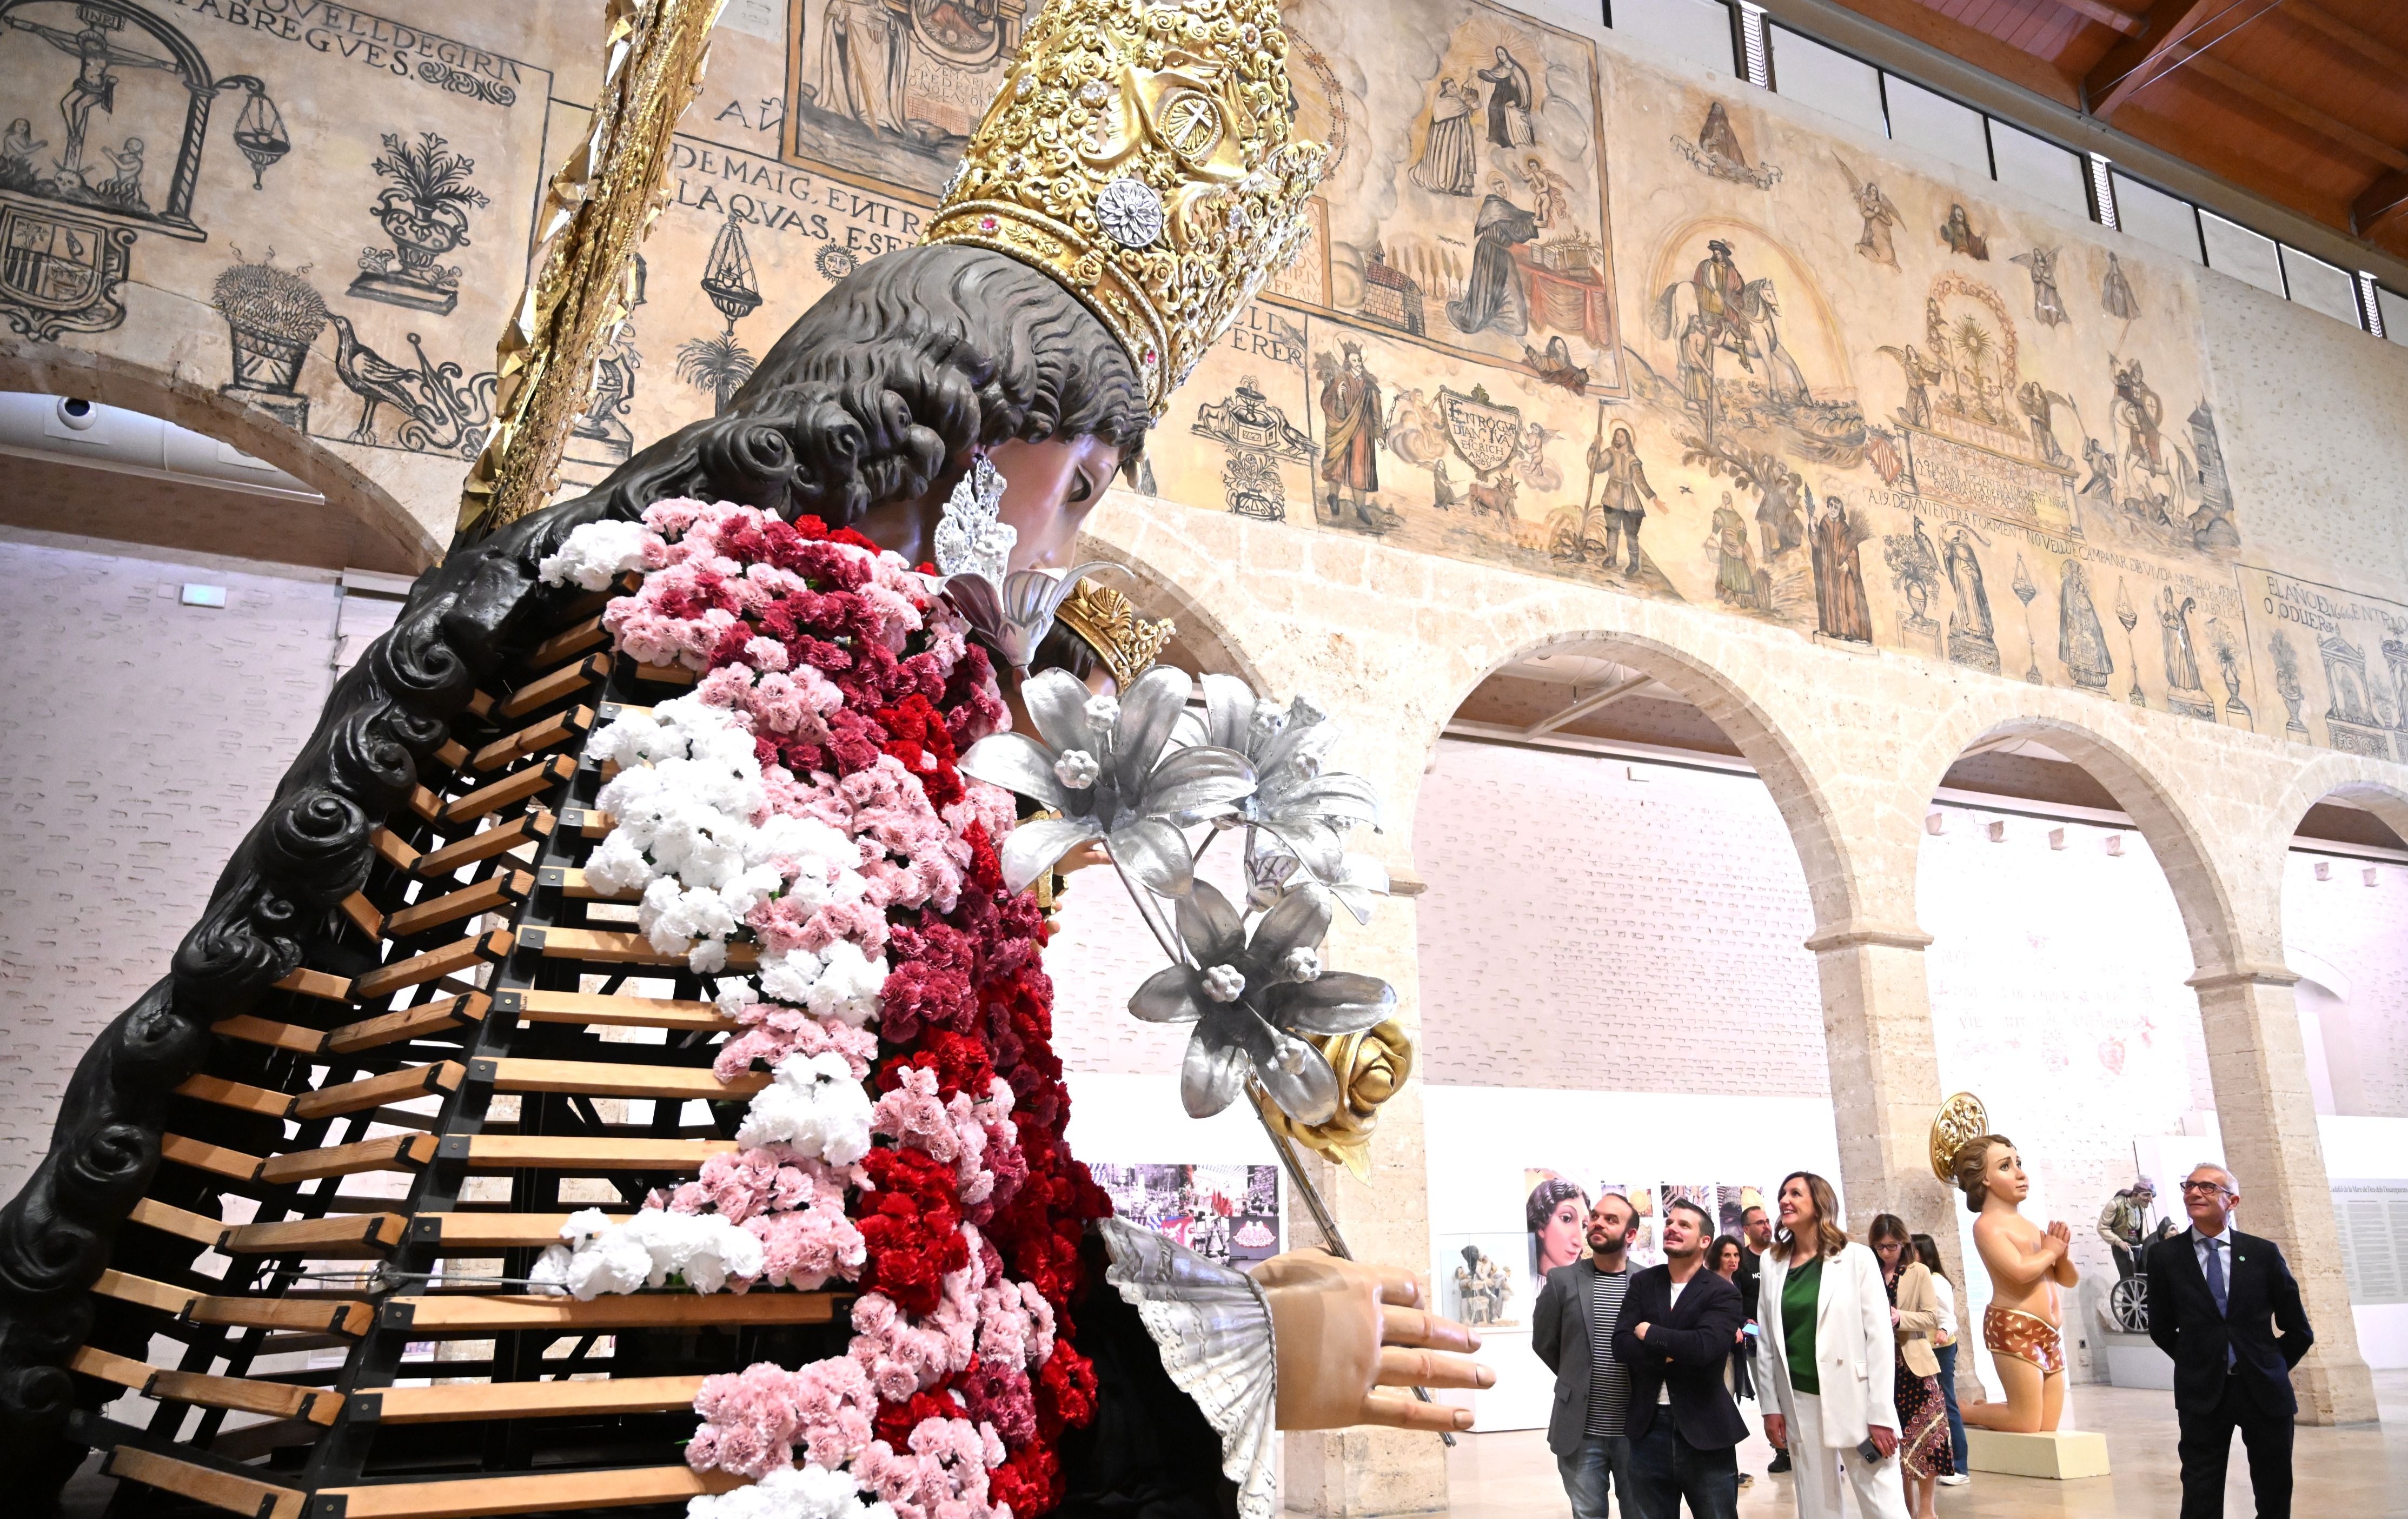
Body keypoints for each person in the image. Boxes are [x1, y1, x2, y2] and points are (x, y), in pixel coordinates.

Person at [2146, 1163, 2314, 1519]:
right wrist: (2197, 1361)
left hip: (2263, 1391)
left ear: (2232, 1201)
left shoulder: (2262, 1253)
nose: (2194, 1192)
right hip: (2202, 1392)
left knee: (2273, 1489)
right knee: (2200, 1492)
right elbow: (2160, 1328)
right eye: (2189, 1185)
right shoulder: (2165, 1257)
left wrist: (2269, 1364)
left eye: (2207, 1187)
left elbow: (2299, 1329)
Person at [1752, 1172, 1908, 1519]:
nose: (1785, 1200)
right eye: (1783, 1194)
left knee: (1884, 1506)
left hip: (1856, 1398)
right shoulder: (1772, 1262)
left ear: (1819, 1203)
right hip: (1799, 1400)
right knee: (1816, 1507)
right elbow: (1767, 1342)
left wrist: (1881, 1413)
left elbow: (1880, 1338)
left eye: (1796, 1193)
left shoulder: (1857, 1258)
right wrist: (1770, 1406)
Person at [1616, 1199, 1748, 1519]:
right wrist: (1670, 1354)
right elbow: (1621, 1345)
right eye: (1669, 1223)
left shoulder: (1722, 1292)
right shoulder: (1644, 1283)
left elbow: (1705, 1348)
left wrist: (1649, 1332)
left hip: (1705, 1430)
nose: (1672, 1228)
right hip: (1648, 1429)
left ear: (1705, 1241)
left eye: (1683, 1225)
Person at [1953, 1134, 2078, 1434]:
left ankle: (1986, 1410)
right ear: (1984, 1179)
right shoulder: (1987, 1226)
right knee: (2026, 1422)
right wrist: (2051, 1252)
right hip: (2015, 1326)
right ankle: (1969, 1412)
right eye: (2005, 1167)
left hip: (2049, 1332)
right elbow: (2020, 1272)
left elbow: (2069, 1279)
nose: (2021, 1174)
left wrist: (2060, 1256)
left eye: (2018, 1163)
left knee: (2047, 1425)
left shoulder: (2030, 1227)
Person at [1534, 1193, 1642, 1519]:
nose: (1598, 1223)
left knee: (1641, 1511)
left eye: (1611, 1220)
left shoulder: (1647, 1282)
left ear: (1631, 1234)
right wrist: (1576, 1374)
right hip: (1580, 1431)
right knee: (1588, 1513)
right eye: (1595, 1217)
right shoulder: (1562, 1281)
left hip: (1636, 1430)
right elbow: (1545, 1342)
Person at [1868, 1215, 1953, 1519]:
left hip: (1916, 1367)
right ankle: (1907, 1508)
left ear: (1903, 1243)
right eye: (1880, 1247)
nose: (1886, 1252)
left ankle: (1927, 1509)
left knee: (1929, 1438)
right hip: (1881, 1368)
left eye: (1892, 1246)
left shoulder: (1918, 1272)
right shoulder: (1870, 1272)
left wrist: (1900, 1316)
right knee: (1896, 1443)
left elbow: (1932, 1317)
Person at [1911, 1233, 1969, 1487]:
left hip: (1940, 1349)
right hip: (1924, 1348)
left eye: (1911, 1250)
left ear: (1923, 1253)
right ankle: (1935, 1463)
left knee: (1947, 1403)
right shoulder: (1916, 1278)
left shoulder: (1935, 1280)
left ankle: (1960, 1466)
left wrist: (1944, 1330)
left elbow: (1947, 1317)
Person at [1736, 1203, 1786, 1476]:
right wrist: (1747, 1324)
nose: (1766, 1226)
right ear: (1746, 1229)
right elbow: (1735, 1303)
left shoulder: (1782, 1255)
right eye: (1759, 1223)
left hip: (1788, 1339)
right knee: (1770, 1394)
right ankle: (1781, 1450)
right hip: (1757, 1342)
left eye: (1767, 1221)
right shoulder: (1741, 1262)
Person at [1530, 1176, 1594, 1279]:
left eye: (1584, 1226)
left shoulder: (1586, 1283)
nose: (1579, 1243)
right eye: (1566, 1219)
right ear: (1541, 1224)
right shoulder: (1516, 1282)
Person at [2098, 1179, 2158, 1282]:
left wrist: (2150, 1240)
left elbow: (2139, 1231)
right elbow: (2102, 1227)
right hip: (2122, 1245)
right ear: (2135, 1194)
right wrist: (2119, 1242)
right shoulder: (2115, 1204)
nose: (2150, 1200)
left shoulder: (2140, 1207)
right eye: (2146, 1195)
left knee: (2141, 1272)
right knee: (2128, 1275)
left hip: (2136, 1243)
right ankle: (2130, 1292)